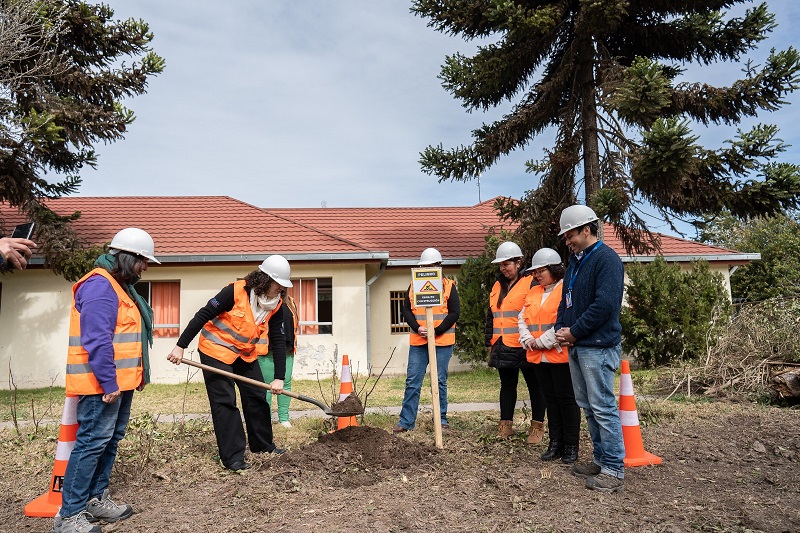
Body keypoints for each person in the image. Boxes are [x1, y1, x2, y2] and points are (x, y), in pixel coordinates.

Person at [56, 228, 159, 533]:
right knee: (91, 443)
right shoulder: (101, 286)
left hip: (120, 383)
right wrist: (109, 383)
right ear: (129, 258)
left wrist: (133, 376)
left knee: (109, 441)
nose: (145, 268)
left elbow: (125, 339)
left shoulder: (119, 286)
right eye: (143, 261)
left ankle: (95, 499)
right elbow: (98, 340)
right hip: (101, 385)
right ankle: (69, 515)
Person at [166, 255, 290, 471]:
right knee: (225, 401)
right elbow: (203, 314)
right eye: (278, 284)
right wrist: (180, 345)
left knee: (257, 396)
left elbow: (279, 340)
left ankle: (262, 445)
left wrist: (279, 377)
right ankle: (233, 457)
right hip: (216, 351)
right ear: (264, 279)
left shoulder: (276, 305)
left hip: (244, 353)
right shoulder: (235, 291)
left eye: (283, 285)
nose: (281, 288)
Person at [554, 205, 626, 493]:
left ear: (587, 229)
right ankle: (600, 459)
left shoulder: (606, 260)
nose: (567, 241)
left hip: (596, 346)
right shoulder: (575, 262)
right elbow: (565, 300)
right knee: (589, 408)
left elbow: (605, 305)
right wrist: (562, 327)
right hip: (578, 345)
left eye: (570, 234)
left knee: (604, 407)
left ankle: (613, 468)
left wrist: (574, 331)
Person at [518, 248, 581, 463]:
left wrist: (541, 341)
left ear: (554, 268)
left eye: (541, 270)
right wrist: (527, 338)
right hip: (538, 357)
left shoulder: (566, 289)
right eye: (535, 271)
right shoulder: (534, 291)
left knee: (567, 401)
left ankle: (571, 446)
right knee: (551, 401)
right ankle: (555, 444)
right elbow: (522, 318)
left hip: (559, 355)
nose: (536, 275)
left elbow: (564, 321)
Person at [393, 247, 460, 433]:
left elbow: (455, 313)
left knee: (439, 380)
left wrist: (437, 330)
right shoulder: (414, 286)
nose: (427, 269)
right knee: (413, 381)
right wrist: (417, 328)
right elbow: (406, 310)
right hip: (419, 342)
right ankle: (406, 422)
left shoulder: (448, 286)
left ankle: (441, 419)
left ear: (439, 266)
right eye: (424, 266)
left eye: (431, 266)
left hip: (443, 342)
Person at [485, 241, 545, 442]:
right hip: (503, 344)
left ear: (519, 263)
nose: (503, 268)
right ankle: (505, 426)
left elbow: (537, 312)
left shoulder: (531, 283)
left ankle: (537, 427)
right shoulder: (496, 285)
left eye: (507, 264)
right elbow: (491, 316)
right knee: (507, 385)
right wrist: (489, 342)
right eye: (500, 265)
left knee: (535, 386)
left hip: (526, 344)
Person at [258, 289, 298, 428]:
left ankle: (284, 418)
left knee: (285, 384)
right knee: (266, 385)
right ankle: (265, 419)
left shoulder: (290, 302)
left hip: (287, 348)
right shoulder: (264, 302)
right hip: (267, 349)